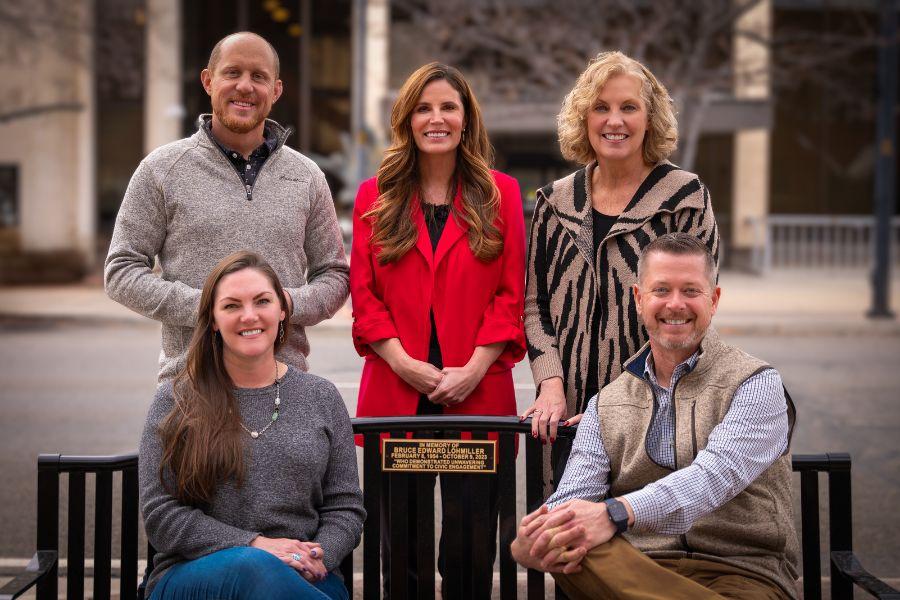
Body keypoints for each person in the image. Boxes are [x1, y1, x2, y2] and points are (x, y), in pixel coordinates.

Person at [512, 233, 799, 600]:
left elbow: (712, 478)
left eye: (691, 291)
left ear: (714, 300)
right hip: (635, 568)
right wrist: (532, 540)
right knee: (577, 544)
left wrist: (616, 513)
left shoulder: (755, 383)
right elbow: (571, 504)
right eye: (661, 290)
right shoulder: (606, 405)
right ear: (638, 298)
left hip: (741, 573)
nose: (675, 304)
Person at [350, 62, 526, 597]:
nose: (437, 118)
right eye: (424, 108)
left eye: (449, 107)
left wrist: (474, 368)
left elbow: (510, 295)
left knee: (471, 553)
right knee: (400, 553)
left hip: (477, 394)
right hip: (396, 395)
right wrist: (405, 363)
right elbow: (365, 297)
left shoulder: (503, 194)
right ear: (406, 120)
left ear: (467, 119)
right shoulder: (373, 197)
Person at [522, 51, 720, 482]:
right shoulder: (553, 202)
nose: (615, 121)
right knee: (565, 537)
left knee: (643, 537)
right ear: (584, 118)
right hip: (564, 417)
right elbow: (535, 308)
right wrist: (550, 384)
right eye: (601, 108)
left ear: (650, 118)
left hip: (654, 410)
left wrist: (616, 405)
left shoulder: (683, 198)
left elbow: (688, 311)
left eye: (628, 107)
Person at [106, 32, 348, 382]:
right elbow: (121, 270)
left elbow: (335, 275)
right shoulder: (162, 169)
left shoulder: (307, 176)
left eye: (259, 76)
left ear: (276, 90)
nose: (245, 87)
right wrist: (208, 308)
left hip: (285, 384)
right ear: (208, 81)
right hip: (190, 386)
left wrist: (285, 305)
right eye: (232, 73)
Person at [139, 250, 364, 600]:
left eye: (262, 301)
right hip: (195, 573)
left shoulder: (321, 397)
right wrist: (257, 546)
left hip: (305, 575)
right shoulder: (176, 399)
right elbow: (162, 515)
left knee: (271, 579)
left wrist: (316, 554)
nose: (249, 315)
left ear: (283, 310)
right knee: (253, 568)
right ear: (212, 319)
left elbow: (345, 506)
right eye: (231, 306)